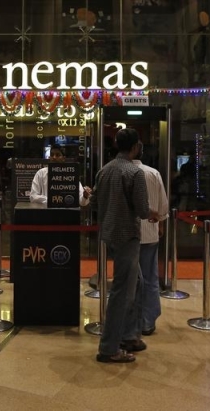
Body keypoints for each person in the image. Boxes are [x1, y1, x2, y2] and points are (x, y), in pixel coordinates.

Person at [90, 128, 160, 363]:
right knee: (122, 291)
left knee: (136, 283)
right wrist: (153, 213)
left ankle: (130, 335)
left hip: (109, 235)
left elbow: (95, 201)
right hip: (128, 236)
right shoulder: (134, 172)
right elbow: (141, 209)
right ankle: (109, 348)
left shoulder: (105, 170)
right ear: (135, 147)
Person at [132, 142, 169, 336]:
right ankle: (148, 321)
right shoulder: (153, 173)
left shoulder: (118, 171)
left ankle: (131, 322)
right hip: (149, 232)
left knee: (129, 280)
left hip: (127, 235)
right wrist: (160, 223)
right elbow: (162, 205)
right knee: (150, 277)